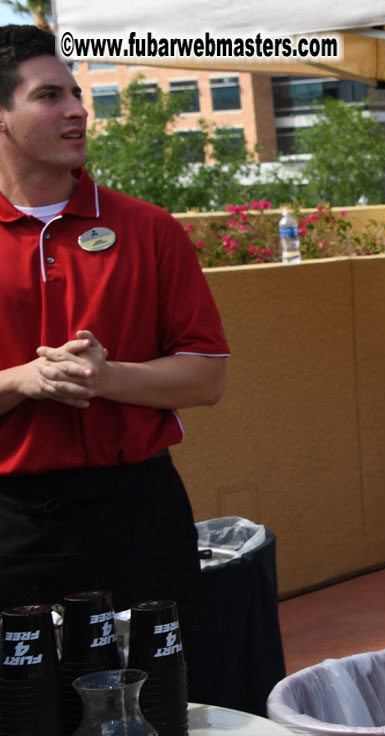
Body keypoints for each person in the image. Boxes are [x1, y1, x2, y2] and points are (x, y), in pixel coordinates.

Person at [0, 26, 229, 701]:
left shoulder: (149, 229)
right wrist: (20, 380)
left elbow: (208, 374)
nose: (76, 108)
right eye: (49, 95)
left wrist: (106, 377)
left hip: (139, 516)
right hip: (14, 529)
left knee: (164, 718)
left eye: (76, 92)